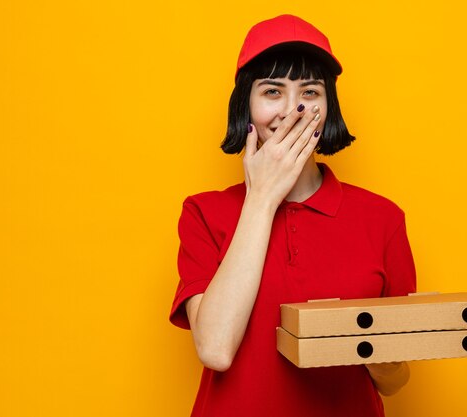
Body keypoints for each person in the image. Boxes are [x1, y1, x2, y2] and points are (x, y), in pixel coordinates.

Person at [169, 14, 416, 417]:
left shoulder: (382, 218)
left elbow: (394, 379)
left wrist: (381, 353)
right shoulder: (203, 213)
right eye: (272, 91)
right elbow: (214, 349)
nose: (293, 110)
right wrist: (262, 199)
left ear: (327, 105)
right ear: (245, 105)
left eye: (310, 92)